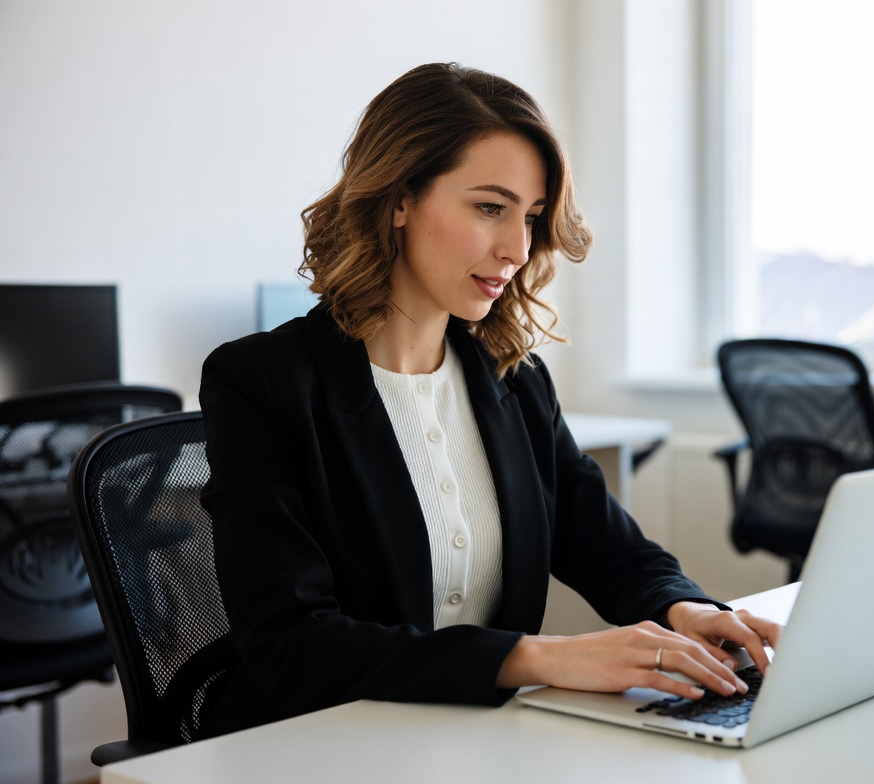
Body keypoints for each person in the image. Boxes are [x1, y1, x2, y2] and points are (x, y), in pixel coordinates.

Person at [198, 62, 781, 738]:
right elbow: (292, 643)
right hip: (314, 743)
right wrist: (545, 658)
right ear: (398, 199)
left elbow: (606, 546)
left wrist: (686, 609)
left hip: (468, 739)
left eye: (531, 218)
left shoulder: (513, 380)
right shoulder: (261, 381)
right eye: (489, 208)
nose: (516, 248)